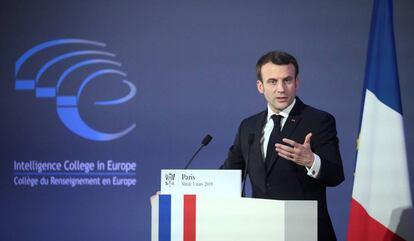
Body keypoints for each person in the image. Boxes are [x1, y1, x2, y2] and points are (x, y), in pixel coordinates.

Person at [221, 50, 344, 241]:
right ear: (260, 86)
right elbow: (228, 174)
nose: (281, 89)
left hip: (306, 231)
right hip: (261, 230)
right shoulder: (249, 126)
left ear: (297, 83)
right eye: (272, 81)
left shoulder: (319, 121)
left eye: (287, 80)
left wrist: (311, 161)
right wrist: (180, 193)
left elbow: (336, 175)